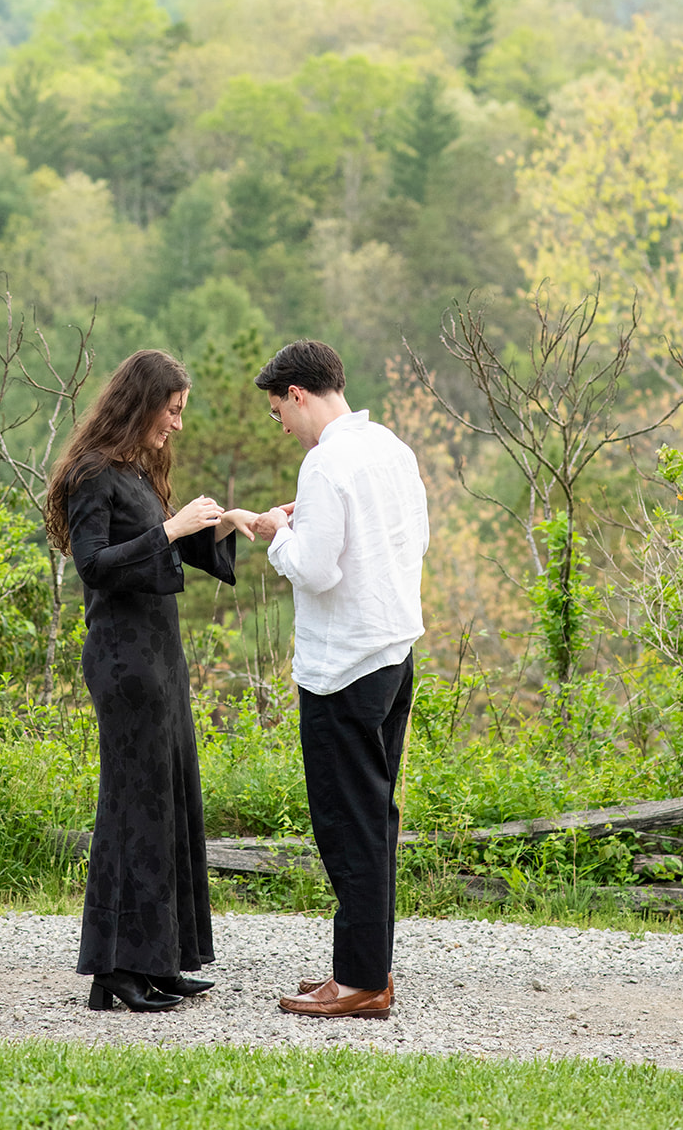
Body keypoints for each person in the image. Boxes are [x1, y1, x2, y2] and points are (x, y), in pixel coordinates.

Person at [45, 349, 257, 1014]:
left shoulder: (136, 472)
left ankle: (161, 962)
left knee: (168, 803)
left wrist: (227, 523)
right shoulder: (91, 475)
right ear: (141, 403)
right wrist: (171, 527)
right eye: (172, 411)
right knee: (133, 810)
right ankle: (116, 970)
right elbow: (95, 566)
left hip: (159, 655)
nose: (178, 426)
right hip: (121, 659)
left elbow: (167, 545)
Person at [251, 340, 428, 1021]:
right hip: (391, 649)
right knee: (375, 820)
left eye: (277, 412)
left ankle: (359, 982)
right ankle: (366, 967)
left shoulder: (324, 463)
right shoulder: (390, 448)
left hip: (341, 667)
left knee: (346, 824)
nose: (282, 426)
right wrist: (306, 532)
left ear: (298, 393)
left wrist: (274, 533)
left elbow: (317, 570)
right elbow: (410, 541)